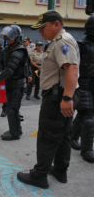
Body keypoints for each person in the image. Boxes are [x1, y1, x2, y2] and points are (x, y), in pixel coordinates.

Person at [17, 11, 79, 189]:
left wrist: (66, 97)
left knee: (48, 135)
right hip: (61, 94)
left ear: (56, 24)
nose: (40, 32)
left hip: (57, 97)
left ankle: (39, 175)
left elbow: (72, 69)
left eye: (43, 27)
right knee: (63, 134)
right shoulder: (59, 41)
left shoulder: (62, 42)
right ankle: (60, 170)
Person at [0, 25, 32, 140]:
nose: (8, 40)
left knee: (12, 109)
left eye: (10, 38)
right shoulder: (7, 50)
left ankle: (15, 133)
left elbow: (10, 70)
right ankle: (17, 129)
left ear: (17, 38)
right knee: (11, 108)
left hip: (17, 85)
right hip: (9, 83)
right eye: (7, 38)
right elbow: (1, 64)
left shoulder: (19, 51)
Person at [70, 15, 94, 163]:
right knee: (88, 117)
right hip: (83, 84)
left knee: (83, 114)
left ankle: (73, 136)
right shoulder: (81, 46)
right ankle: (87, 150)